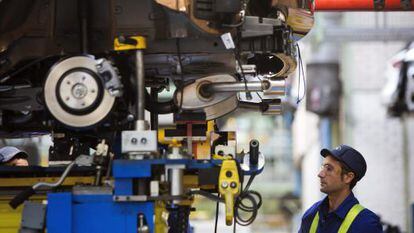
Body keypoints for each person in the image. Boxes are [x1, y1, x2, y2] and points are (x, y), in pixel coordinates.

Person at [299, 145, 383, 233]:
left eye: (329, 169)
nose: (320, 174)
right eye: (323, 167)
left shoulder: (366, 224)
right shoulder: (312, 214)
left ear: (348, 177)